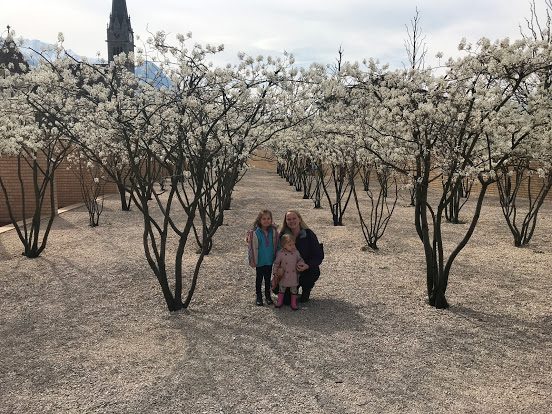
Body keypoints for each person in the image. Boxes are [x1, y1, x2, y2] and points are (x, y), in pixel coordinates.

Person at [278, 210, 323, 303]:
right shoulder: (283, 236)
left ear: (299, 219)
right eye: (289, 219)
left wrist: (307, 265)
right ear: (285, 222)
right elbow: (276, 253)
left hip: (306, 270)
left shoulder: (309, 234)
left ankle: (306, 289)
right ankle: (293, 291)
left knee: (311, 274)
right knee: (285, 300)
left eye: (294, 218)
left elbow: (318, 255)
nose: (292, 221)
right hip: (289, 272)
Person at [247, 209, 279, 306]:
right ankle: (259, 296)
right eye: (264, 219)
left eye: (268, 218)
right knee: (259, 279)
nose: (266, 221)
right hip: (259, 261)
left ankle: (267, 295)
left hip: (269, 260)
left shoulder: (273, 232)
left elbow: (277, 244)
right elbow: (251, 248)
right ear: (259, 220)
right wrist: (252, 260)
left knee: (268, 278)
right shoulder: (255, 233)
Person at [272, 234, 305, 310]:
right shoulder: (280, 253)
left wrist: (301, 264)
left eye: (293, 244)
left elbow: (300, 259)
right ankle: (279, 301)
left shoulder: (296, 252)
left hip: (293, 276)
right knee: (281, 289)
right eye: (290, 245)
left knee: (294, 290)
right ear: (284, 245)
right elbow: (276, 263)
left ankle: (293, 303)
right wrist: (275, 272)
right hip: (284, 276)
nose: (292, 246)